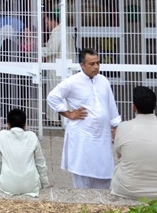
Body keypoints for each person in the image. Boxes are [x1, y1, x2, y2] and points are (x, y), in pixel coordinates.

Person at [47, 48, 121, 189]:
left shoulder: (103, 81)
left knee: (105, 176)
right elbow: (52, 97)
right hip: (82, 137)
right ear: (82, 65)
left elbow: (111, 104)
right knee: (82, 178)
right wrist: (68, 114)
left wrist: (116, 126)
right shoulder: (72, 81)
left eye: (98, 63)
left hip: (102, 137)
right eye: (92, 64)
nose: (96, 67)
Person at [0, 108, 50, 196]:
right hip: (31, 185)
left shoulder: (1, 136)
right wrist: (45, 183)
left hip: (7, 185)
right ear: (25, 125)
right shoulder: (32, 136)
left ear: (8, 125)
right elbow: (40, 162)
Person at [41, 10, 77, 124]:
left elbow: (52, 49)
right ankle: (63, 118)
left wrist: (39, 51)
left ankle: (54, 119)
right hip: (65, 67)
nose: (46, 26)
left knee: (55, 93)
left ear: (53, 21)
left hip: (59, 68)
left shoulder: (58, 32)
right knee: (65, 94)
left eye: (47, 22)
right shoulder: (63, 31)